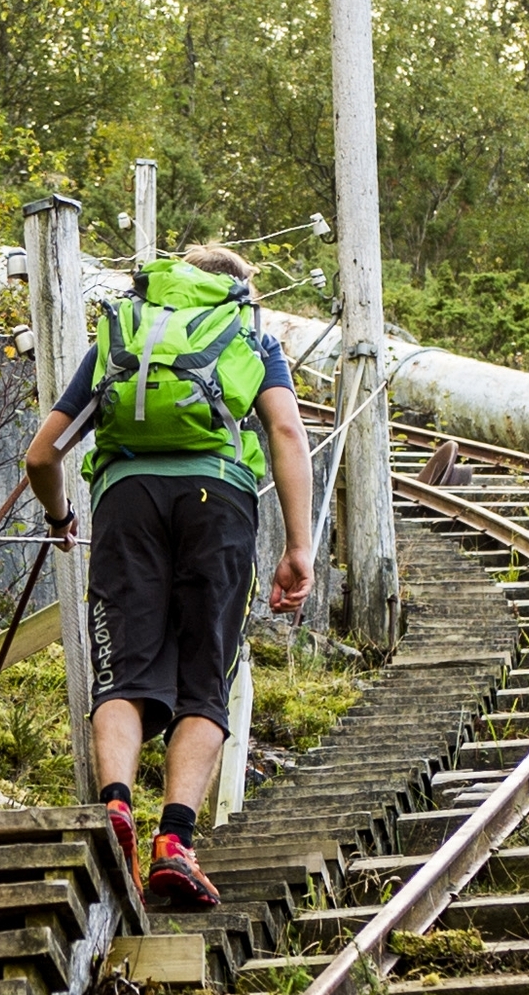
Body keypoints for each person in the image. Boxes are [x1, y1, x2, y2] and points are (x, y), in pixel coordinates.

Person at [20, 241, 316, 910]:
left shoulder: (122, 339)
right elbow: (288, 435)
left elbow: (42, 455)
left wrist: (61, 517)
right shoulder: (248, 336)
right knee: (203, 680)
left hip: (125, 503)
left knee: (125, 673)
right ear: (239, 293)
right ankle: (174, 843)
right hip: (219, 502)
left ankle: (116, 809)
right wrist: (300, 547)